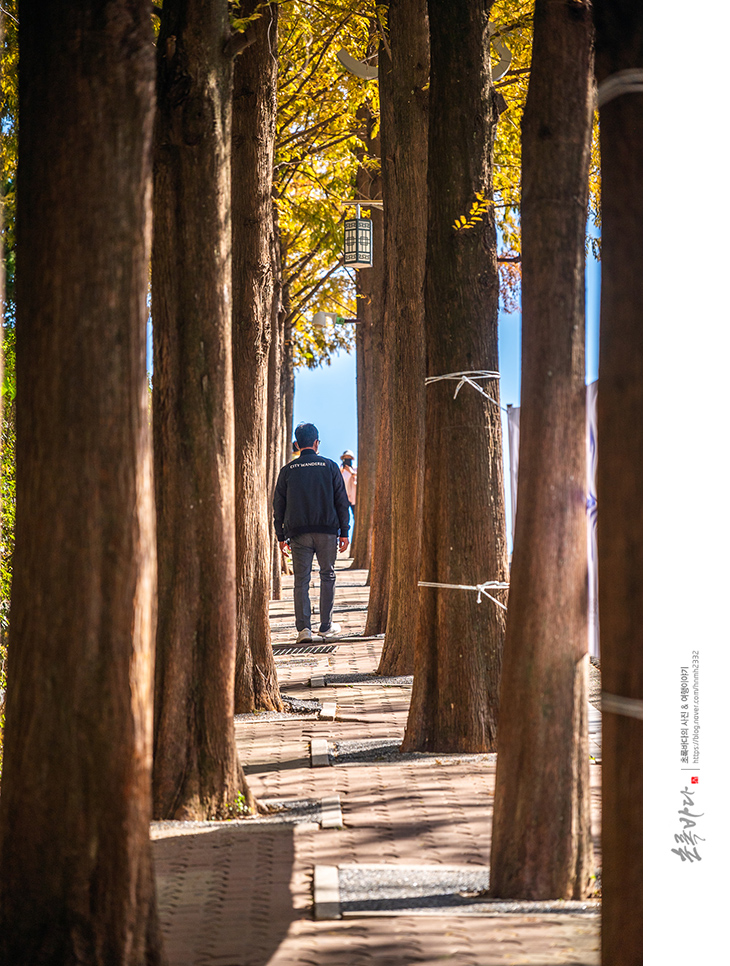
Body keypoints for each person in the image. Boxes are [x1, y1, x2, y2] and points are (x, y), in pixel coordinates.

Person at [273, 422, 350, 643]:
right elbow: (341, 502)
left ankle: (303, 630)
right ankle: (325, 626)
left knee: (301, 581)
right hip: (327, 532)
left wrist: (280, 536)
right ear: (316, 443)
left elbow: (278, 506)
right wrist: (344, 532)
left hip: (298, 534)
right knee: (328, 575)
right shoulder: (330, 466)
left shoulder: (287, 471)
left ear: (297, 444)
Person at [340, 449, 357, 530]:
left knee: (356, 517)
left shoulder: (356, 470)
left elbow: (357, 483)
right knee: (343, 518)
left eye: (349, 459)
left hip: (354, 499)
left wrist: (352, 473)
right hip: (343, 499)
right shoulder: (339, 472)